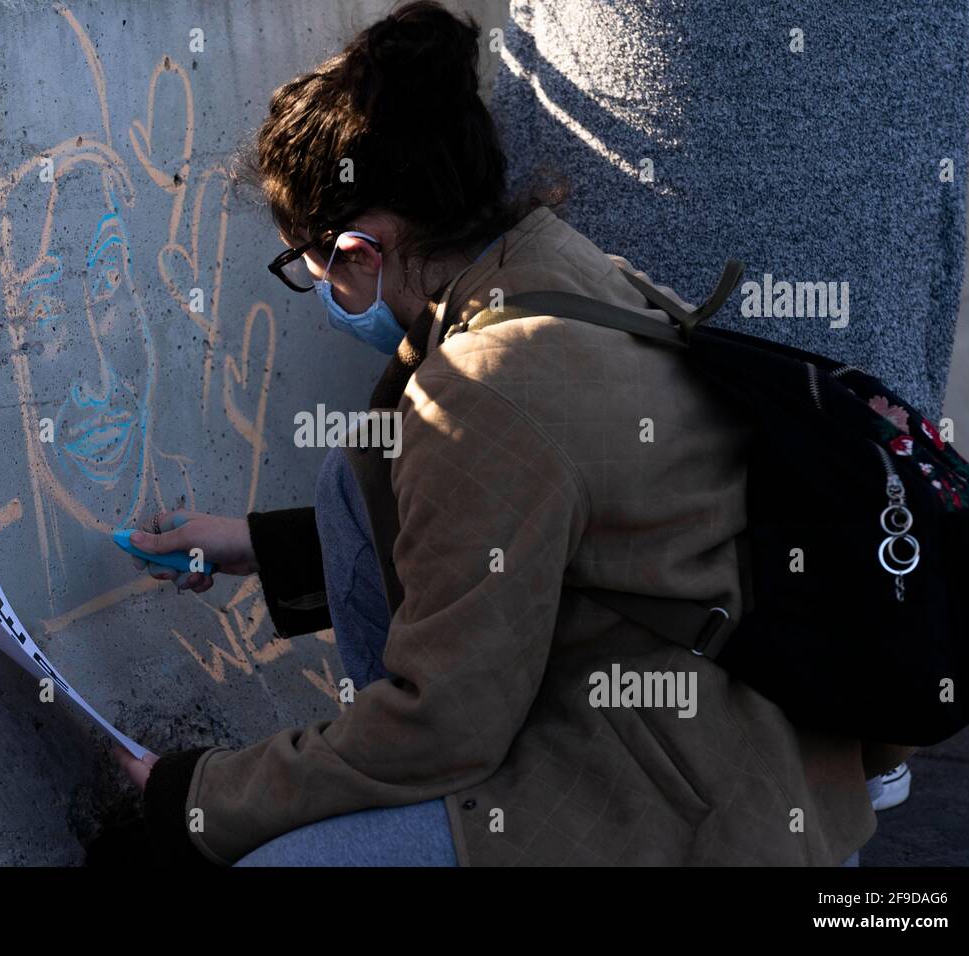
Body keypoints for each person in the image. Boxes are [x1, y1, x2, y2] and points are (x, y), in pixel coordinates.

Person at [114, 1, 910, 866]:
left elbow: (438, 726)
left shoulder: (483, 391)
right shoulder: (556, 266)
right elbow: (505, 525)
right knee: (362, 479)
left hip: (690, 815)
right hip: (735, 749)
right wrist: (254, 547)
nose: (320, 296)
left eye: (309, 270)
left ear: (361, 250)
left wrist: (192, 796)